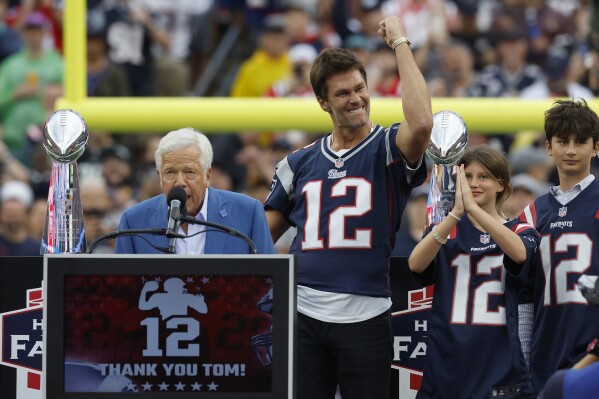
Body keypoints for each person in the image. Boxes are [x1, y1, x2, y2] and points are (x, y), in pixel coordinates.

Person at [264, 15, 433, 399]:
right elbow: (259, 235)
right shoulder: (299, 162)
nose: (355, 98)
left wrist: (401, 42)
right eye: (342, 93)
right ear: (323, 102)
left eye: (360, 88)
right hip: (303, 311)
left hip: (367, 312)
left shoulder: (388, 146)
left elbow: (422, 123)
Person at [408, 145, 541, 398]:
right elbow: (416, 263)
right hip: (448, 359)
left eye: (484, 177)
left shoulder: (520, 229)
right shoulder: (446, 229)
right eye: (467, 176)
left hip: (499, 362)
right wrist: (456, 213)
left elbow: (520, 254)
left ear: (501, 185)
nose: (474, 183)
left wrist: (476, 210)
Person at [518, 99, 599, 393]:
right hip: (545, 352)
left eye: (581, 141)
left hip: (594, 350)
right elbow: (524, 296)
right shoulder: (532, 213)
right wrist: (524, 357)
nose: (571, 150)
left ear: (596, 146)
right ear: (549, 147)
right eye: (563, 141)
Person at [114, 128, 275, 255]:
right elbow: (121, 291)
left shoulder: (248, 212)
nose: (180, 182)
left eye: (189, 172)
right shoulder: (133, 221)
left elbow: (269, 285)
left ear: (208, 175)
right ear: (159, 176)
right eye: (170, 172)